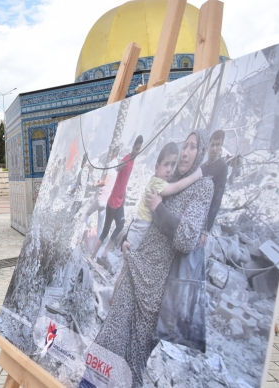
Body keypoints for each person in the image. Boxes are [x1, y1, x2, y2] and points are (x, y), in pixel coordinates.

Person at [91, 130, 213, 386]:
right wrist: (126, 241)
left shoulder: (202, 186)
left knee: (134, 359)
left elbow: (186, 239)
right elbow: (142, 217)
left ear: (200, 153)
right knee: (108, 340)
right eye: (185, 145)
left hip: (156, 293)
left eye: (193, 147)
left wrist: (159, 208)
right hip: (134, 268)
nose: (186, 151)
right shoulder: (169, 178)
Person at [121, 142, 203, 260]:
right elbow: (176, 187)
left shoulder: (156, 180)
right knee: (129, 257)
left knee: (130, 256)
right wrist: (196, 176)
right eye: (166, 165)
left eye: (173, 165)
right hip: (141, 227)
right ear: (156, 167)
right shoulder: (158, 183)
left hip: (139, 225)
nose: (169, 170)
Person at [91, 136, 143, 260]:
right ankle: (92, 256)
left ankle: (105, 252)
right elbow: (118, 168)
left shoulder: (133, 160)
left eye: (139, 149)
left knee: (120, 224)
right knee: (105, 232)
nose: (137, 151)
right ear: (133, 147)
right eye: (136, 148)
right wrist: (122, 164)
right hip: (112, 203)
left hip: (120, 202)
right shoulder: (126, 158)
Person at [201, 129, 228, 243]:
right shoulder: (202, 168)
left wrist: (206, 229)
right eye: (212, 145)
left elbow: (217, 198)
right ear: (208, 146)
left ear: (221, 146)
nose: (214, 149)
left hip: (205, 220)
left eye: (218, 145)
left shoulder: (222, 167)